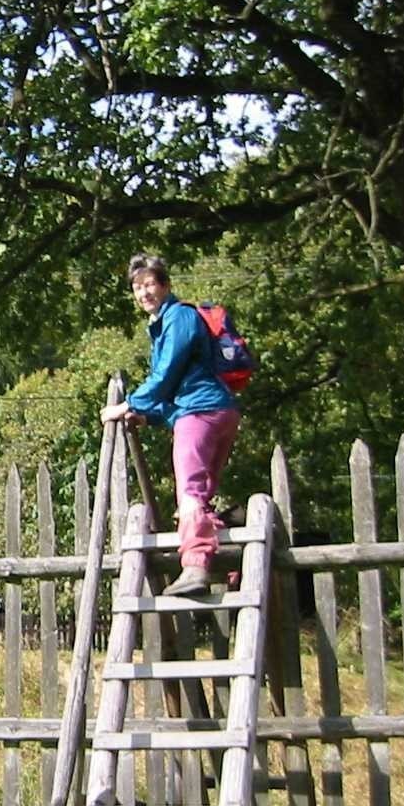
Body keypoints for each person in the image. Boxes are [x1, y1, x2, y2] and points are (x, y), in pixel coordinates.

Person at [100, 254, 240, 596]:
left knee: (190, 491)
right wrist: (149, 415)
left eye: (150, 284)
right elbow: (179, 380)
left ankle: (195, 566)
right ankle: (232, 557)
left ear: (165, 285)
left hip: (200, 412)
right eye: (137, 287)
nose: (144, 293)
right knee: (203, 493)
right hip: (215, 409)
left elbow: (166, 375)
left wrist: (127, 405)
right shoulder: (168, 322)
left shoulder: (179, 317)